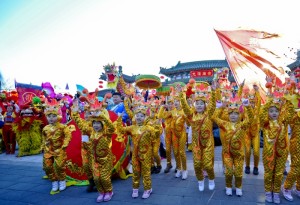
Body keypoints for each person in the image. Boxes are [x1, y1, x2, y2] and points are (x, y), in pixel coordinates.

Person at [72, 99, 115, 202]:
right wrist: (75, 113)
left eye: (98, 123)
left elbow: (112, 127)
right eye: (94, 123)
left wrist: (103, 116)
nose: (96, 125)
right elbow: (80, 124)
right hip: (94, 159)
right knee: (96, 178)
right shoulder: (90, 131)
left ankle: (109, 191)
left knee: (104, 178)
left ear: (102, 124)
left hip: (105, 160)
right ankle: (101, 192)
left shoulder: (106, 133)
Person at [179, 81, 217, 190]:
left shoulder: (208, 114)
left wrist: (213, 91)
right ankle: (200, 181)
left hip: (208, 144)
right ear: (194, 105)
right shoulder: (191, 116)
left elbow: (213, 105)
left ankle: (211, 178)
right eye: (197, 103)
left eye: (201, 103)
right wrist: (182, 94)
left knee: (208, 165)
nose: (199, 105)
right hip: (196, 145)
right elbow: (186, 108)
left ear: (205, 105)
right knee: (196, 165)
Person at [115, 105, 159, 199]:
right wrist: (119, 119)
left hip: (146, 154)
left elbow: (155, 138)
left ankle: (148, 189)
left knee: (146, 172)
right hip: (135, 154)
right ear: (135, 117)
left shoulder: (149, 128)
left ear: (145, 117)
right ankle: (135, 188)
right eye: (137, 115)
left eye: (141, 116)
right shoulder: (132, 128)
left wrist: (157, 125)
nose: (139, 117)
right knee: (136, 171)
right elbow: (121, 130)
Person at [212, 96, 252, 197]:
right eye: (231, 114)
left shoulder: (243, 125)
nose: (233, 116)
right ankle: (228, 186)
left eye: (236, 113)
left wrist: (247, 107)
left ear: (239, 114)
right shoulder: (225, 124)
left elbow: (251, 119)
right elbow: (213, 117)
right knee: (229, 172)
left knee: (238, 173)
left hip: (239, 154)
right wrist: (220, 107)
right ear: (228, 115)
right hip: (227, 154)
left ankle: (238, 187)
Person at [259, 90, 294, 204]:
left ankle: (276, 192)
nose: (274, 113)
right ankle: (268, 192)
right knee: (269, 173)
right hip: (268, 153)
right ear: (268, 112)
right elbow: (262, 113)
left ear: (280, 112)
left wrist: (287, 99)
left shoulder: (284, 122)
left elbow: (290, 112)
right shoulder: (265, 124)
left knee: (279, 173)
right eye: (271, 111)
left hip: (282, 152)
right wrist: (269, 100)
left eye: (276, 111)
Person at [41, 99, 72, 193]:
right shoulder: (45, 128)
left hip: (59, 150)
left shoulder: (62, 127)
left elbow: (68, 135)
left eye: (53, 116)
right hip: (48, 150)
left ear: (58, 116)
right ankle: (54, 181)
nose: (51, 118)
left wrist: (66, 143)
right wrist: (42, 146)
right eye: (49, 116)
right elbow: (43, 138)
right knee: (47, 167)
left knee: (59, 166)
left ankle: (62, 180)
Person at [243, 84, 261, 175]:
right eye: (250, 101)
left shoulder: (258, 109)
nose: (252, 104)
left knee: (256, 152)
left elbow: (259, 102)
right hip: (247, 133)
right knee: (248, 151)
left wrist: (257, 91)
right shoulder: (245, 109)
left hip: (255, 133)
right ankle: (247, 166)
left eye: (253, 101)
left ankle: (256, 167)